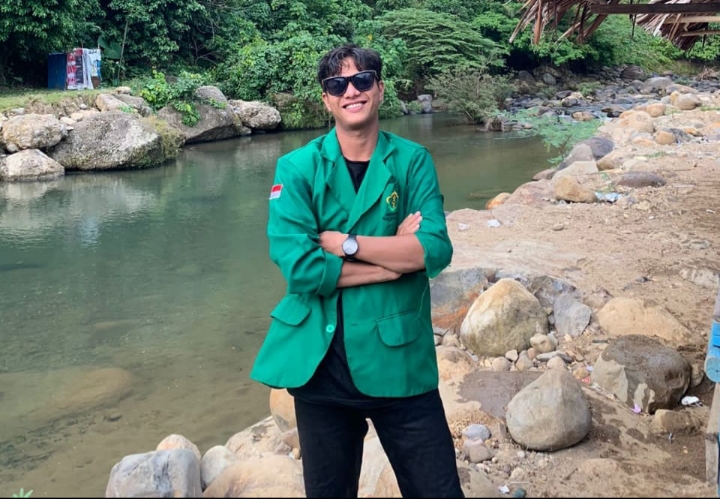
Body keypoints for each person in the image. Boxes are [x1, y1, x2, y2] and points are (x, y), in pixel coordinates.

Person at [250, 43, 463, 498]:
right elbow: (302, 270)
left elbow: (434, 250)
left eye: (362, 80)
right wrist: (390, 267)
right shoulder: (297, 168)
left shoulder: (411, 162)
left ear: (380, 89)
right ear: (326, 99)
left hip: (399, 362)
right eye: (337, 84)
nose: (351, 91)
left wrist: (347, 245)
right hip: (320, 368)